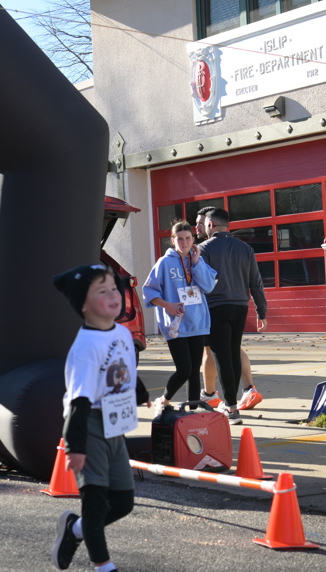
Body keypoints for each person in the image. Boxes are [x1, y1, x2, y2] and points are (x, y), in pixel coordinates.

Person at [50, 264, 136, 572]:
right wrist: (76, 446)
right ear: (83, 305)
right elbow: (79, 400)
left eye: (114, 288)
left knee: (123, 502)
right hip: (89, 425)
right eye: (102, 291)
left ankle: (75, 529)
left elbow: (122, 368)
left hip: (115, 422)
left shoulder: (122, 332)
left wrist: (139, 391)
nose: (113, 296)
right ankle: (103, 565)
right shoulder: (85, 347)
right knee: (96, 503)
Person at [199, 208, 268, 425]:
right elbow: (255, 282)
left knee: (221, 357)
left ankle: (231, 408)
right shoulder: (245, 248)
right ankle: (232, 402)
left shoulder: (203, 249)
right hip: (240, 307)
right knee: (232, 353)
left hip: (216, 307)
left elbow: (199, 282)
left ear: (210, 225)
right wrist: (261, 312)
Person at [143, 221, 217, 416]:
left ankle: (192, 411)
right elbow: (149, 292)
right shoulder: (164, 263)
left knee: (194, 372)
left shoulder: (198, 261)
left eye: (188, 238)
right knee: (184, 369)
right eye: (180, 239)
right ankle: (164, 400)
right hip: (176, 325)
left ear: (193, 240)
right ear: (173, 240)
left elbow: (209, 286)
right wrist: (168, 306)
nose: (184, 243)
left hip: (197, 322)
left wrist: (196, 263)